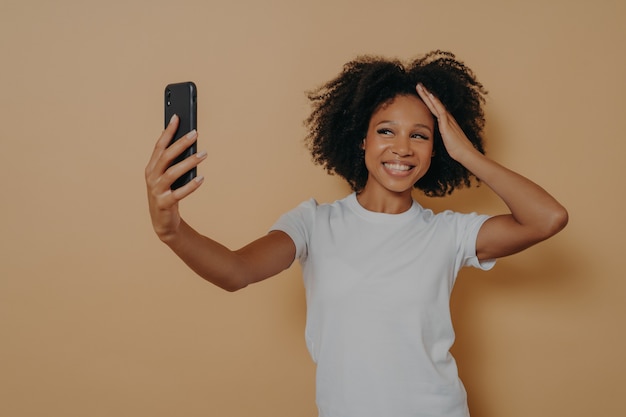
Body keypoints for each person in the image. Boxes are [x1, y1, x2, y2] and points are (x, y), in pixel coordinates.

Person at [145, 50, 568, 417]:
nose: (402, 148)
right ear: (361, 139)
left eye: (419, 136)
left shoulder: (450, 233)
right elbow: (236, 272)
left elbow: (547, 218)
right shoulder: (314, 223)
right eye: (386, 130)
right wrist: (173, 231)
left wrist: (467, 154)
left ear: (435, 149)